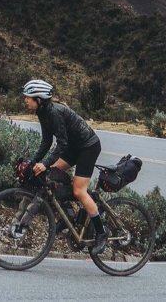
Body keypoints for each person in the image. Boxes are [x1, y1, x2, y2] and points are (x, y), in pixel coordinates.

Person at [21, 79, 108, 254]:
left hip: (88, 147)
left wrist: (44, 164)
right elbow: (46, 142)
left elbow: (60, 145)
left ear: (38, 99)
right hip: (73, 147)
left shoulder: (54, 112)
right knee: (53, 175)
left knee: (79, 191)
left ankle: (101, 233)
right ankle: (70, 216)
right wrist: (32, 161)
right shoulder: (42, 112)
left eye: (28, 97)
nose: (25, 100)